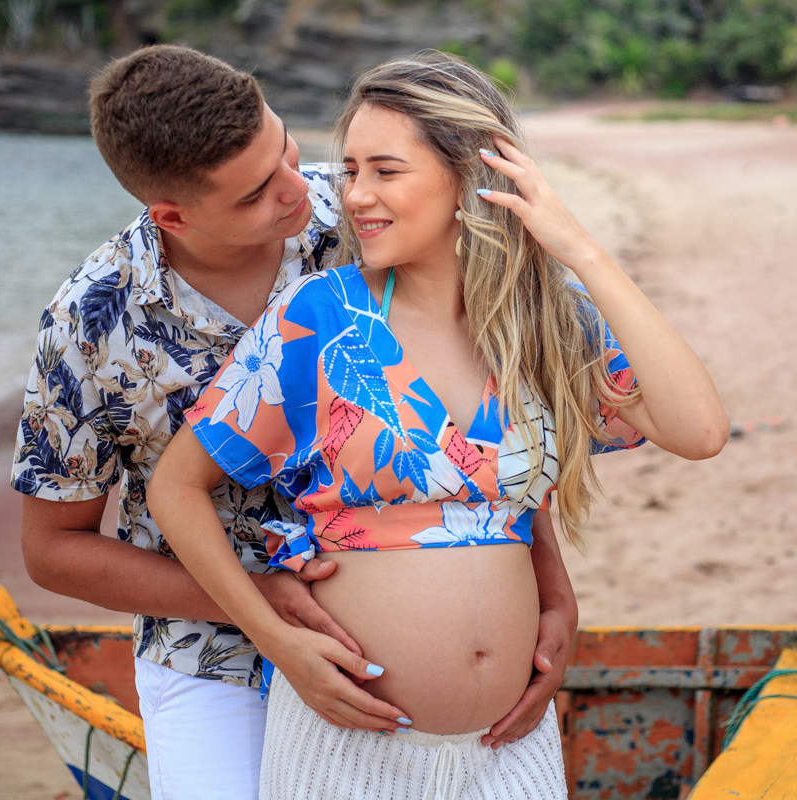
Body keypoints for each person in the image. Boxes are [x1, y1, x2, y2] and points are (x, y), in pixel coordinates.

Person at [148, 51, 729, 799]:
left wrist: (577, 248)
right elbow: (176, 488)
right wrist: (277, 640)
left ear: (469, 174)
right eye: (352, 170)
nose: (355, 196)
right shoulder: (319, 318)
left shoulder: (545, 318)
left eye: (385, 171)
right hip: (349, 743)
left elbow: (700, 430)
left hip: (507, 750)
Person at [11, 45, 578, 800]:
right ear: (173, 215)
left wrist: (551, 587)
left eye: (286, 150)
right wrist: (258, 602)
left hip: (405, 636)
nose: (299, 194)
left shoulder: (360, 213)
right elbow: (53, 551)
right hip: (209, 647)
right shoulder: (91, 322)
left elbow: (481, 410)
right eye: (253, 194)